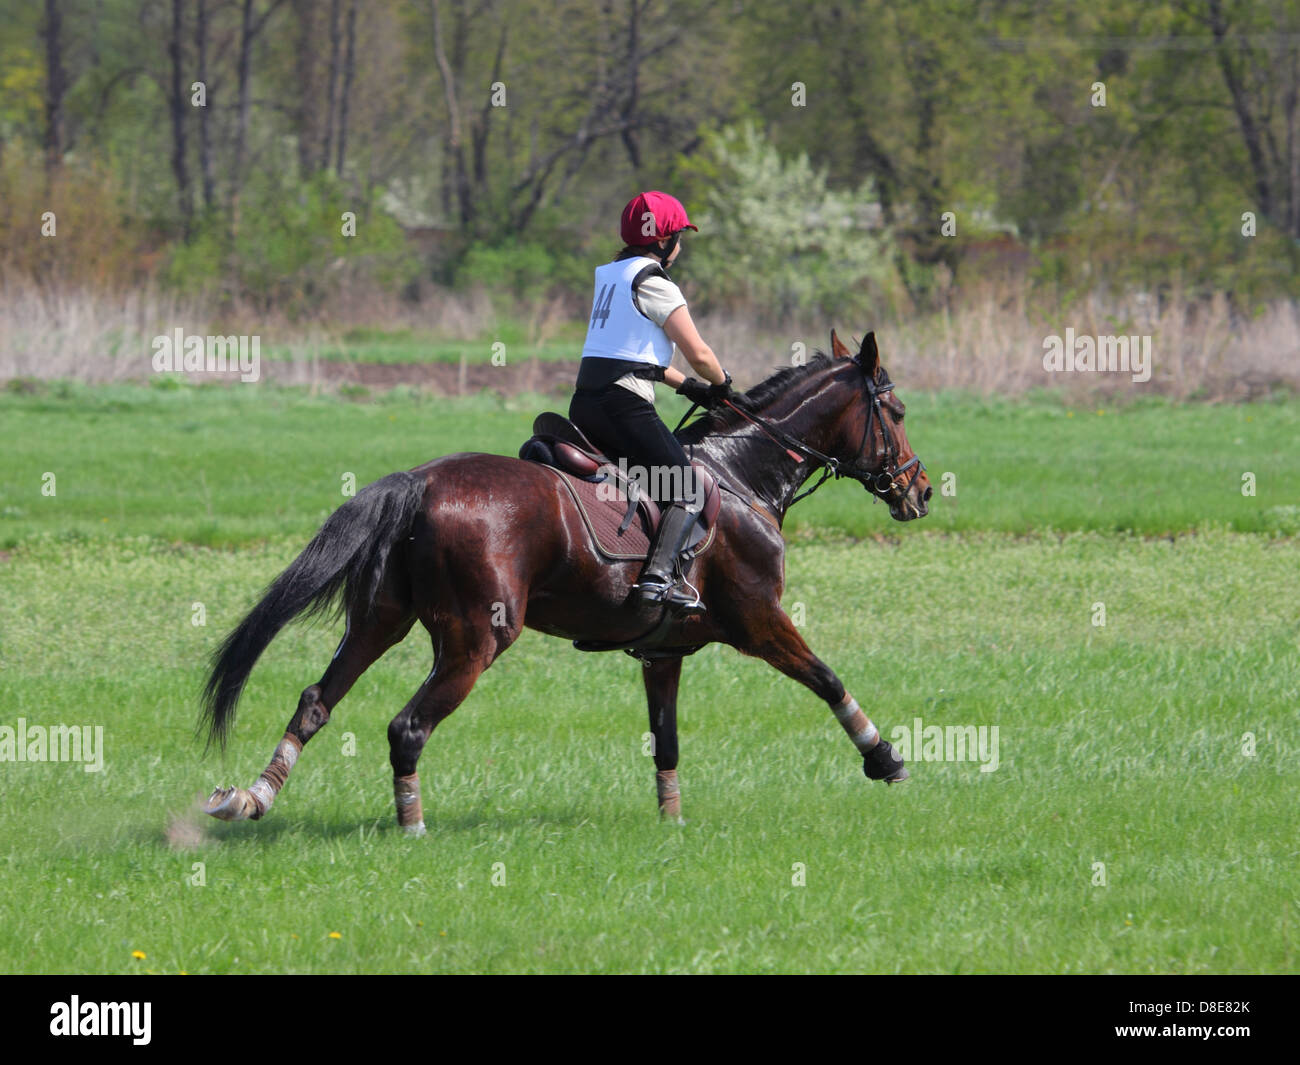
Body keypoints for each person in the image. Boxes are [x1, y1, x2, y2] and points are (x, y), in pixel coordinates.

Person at [569, 191, 734, 613]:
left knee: (649, 477)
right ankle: (658, 581)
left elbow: (632, 356)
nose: (679, 246)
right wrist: (722, 384)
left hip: (584, 405)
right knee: (687, 487)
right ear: (664, 241)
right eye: (679, 237)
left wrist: (688, 388)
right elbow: (700, 354)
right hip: (623, 409)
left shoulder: (613, 276)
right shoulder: (656, 282)